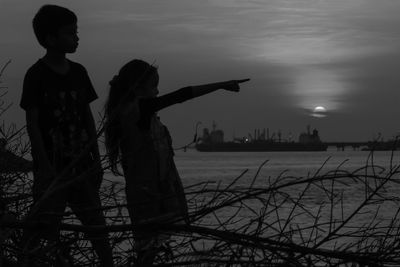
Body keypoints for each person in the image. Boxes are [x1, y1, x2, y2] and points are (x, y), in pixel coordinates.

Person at [104, 59, 249, 265]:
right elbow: (181, 95)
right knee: (147, 247)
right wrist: (220, 85)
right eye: (153, 85)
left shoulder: (136, 112)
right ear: (137, 87)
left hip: (153, 188)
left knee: (151, 247)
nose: (157, 91)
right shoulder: (136, 111)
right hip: (146, 192)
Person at [19, 5, 114, 266]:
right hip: (52, 168)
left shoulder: (79, 72)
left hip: (82, 166)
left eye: (76, 32)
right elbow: (33, 124)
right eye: (70, 33)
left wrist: (95, 156)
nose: (76, 37)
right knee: (42, 224)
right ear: (50, 39)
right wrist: (45, 166)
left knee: (97, 227)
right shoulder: (36, 75)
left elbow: (87, 116)